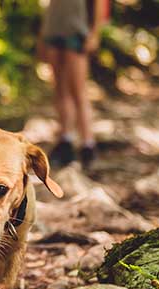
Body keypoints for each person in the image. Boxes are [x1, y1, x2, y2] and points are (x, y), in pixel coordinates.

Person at [40, 0, 109, 169]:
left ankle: (87, 144)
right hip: (54, 29)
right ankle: (65, 140)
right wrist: (42, 35)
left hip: (77, 31)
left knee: (78, 91)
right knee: (60, 89)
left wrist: (95, 33)